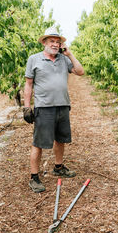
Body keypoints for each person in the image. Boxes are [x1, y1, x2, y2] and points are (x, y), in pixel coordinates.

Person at [23, 27, 84, 193]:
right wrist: (27, 106)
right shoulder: (34, 59)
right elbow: (28, 84)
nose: (56, 45)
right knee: (39, 143)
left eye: (58, 42)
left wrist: (69, 54)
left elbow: (80, 71)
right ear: (44, 42)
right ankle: (34, 177)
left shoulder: (64, 60)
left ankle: (58, 167)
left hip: (63, 106)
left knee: (61, 139)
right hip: (44, 107)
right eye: (52, 41)